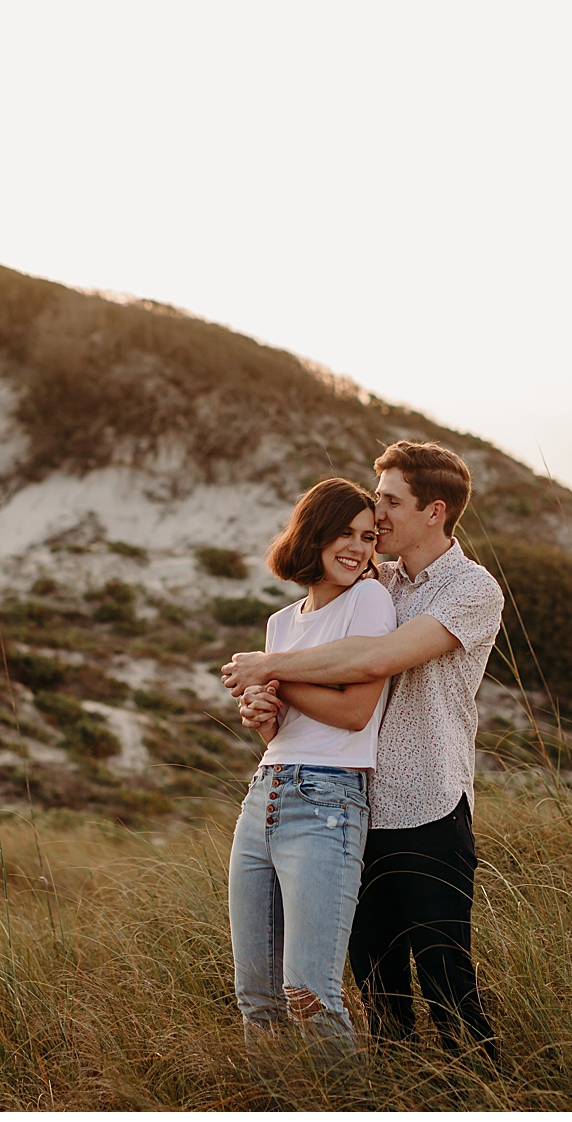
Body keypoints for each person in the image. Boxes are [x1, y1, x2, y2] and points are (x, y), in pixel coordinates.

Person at [225, 441, 504, 1056]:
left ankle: (486, 1094)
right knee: (380, 993)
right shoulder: (373, 579)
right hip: (355, 807)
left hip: (428, 804)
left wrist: (270, 670)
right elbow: (324, 654)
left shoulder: (471, 589)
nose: (377, 513)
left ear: (433, 511)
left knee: (447, 982)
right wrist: (267, 700)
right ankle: (399, 1095)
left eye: (389, 500)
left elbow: (376, 660)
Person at [226, 477, 397, 1052]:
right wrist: (262, 710)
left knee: (310, 993)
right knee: (257, 998)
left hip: (328, 802)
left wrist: (274, 676)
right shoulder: (281, 624)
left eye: (369, 537)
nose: (357, 548)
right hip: (264, 796)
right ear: (314, 535)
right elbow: (285, 730)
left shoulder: (369, 600)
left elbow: (353, 712)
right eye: (344, 533)